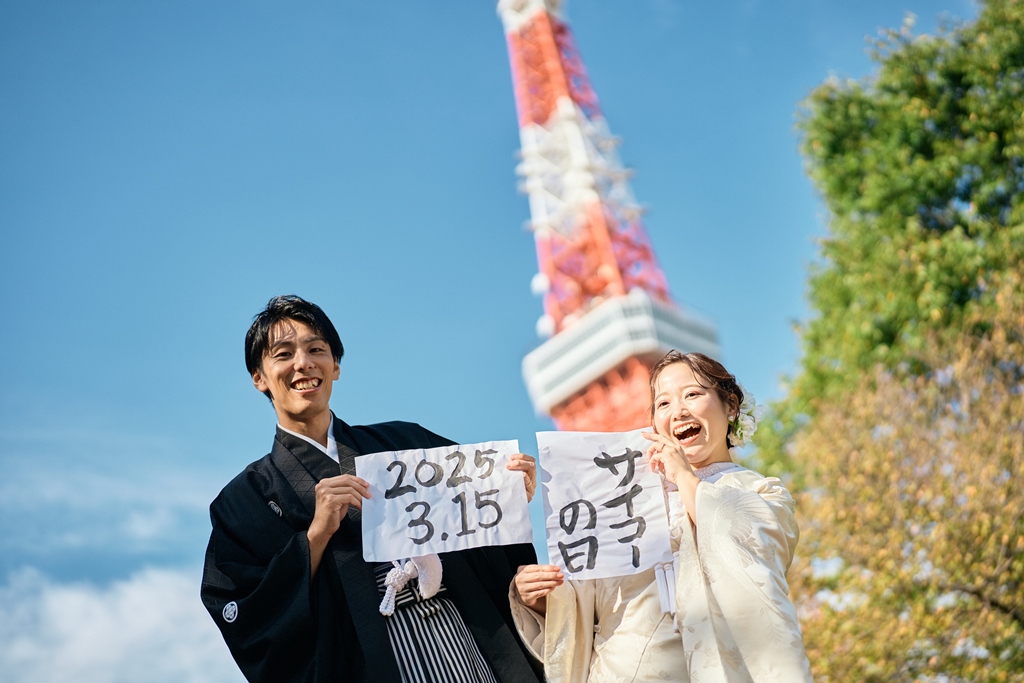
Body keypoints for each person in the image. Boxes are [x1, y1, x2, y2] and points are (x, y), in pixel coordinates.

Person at [201, 295, 544, 683]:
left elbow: (480, 525)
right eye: (283, 354)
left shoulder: (406, 440)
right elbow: (244, 608)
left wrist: (508, 490)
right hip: (371, 663)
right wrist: (315, 536)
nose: (303, 363)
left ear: (336, 367)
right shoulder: (242, 501)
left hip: (465, 641)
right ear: (259, 377)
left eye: (317, 349)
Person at [510, 351, 813, 682]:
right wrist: (542, 597)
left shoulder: (761, 492)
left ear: (730, 406)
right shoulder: (618, 499)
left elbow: (749, 546)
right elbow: (590, 600)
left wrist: (684, 477)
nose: (679, 411)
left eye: (693, 394)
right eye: (663, 404)